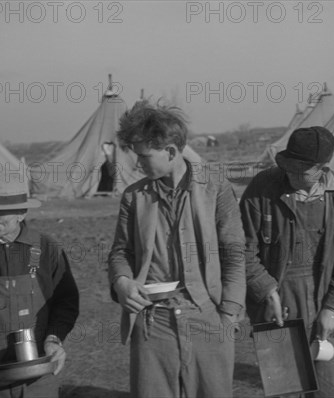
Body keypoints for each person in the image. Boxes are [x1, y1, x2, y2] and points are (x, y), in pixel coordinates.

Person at [107, 100, 246, 398]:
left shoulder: (216, 189)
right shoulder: (134, 197)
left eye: (144, 156)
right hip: (152, 322)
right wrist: (122, 282)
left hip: (208, 316)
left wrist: (229, 314)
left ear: (170, 151)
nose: (137, 163)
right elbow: (120, 252)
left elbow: (234, 253)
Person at [240, 126, 334, 398]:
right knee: (286, 391)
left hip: (321, 308)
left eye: (302, 172)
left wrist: (333, 308)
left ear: (322, 168)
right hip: (277, 309)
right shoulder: (263, 188)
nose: (292, 176)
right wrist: (266, 290)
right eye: (288, 168)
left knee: (327, 391)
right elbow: (241, 249)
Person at [0, 173, 79, 397]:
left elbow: (66, 302)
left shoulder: (47, 249)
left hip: (40, 380)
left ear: (21, 212)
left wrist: (54, 339)